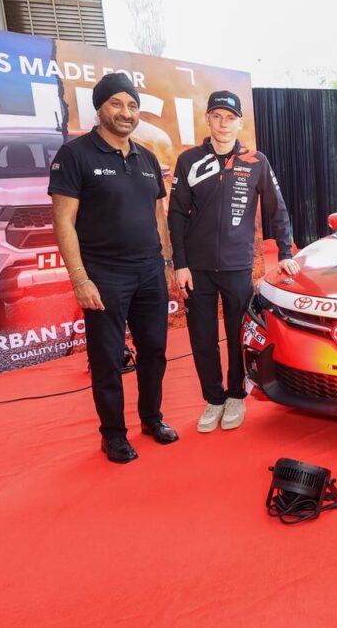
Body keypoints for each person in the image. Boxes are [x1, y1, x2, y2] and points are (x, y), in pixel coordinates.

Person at [49, 72, 179, 464]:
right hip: (104, 275)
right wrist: (80, 278)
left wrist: (167, 262)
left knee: (154, 351)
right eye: (117, 104)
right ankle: (113, 435)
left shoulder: (147, 157)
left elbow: (158, 215)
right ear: (100, 108)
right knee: (107, 358)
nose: (126, 112)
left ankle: (152, 419)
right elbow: (63, 221)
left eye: (133, 105)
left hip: (150, 271)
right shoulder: (75, 155)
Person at [168, 90, 298, 434]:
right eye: (217, 116)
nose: (223, 123)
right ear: (208, 119)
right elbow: (176, 214)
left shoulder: (256, 161)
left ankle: (236, 394)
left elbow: (278, 209)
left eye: (230, 117)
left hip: (238, 266)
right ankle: (213, 399)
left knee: (238, 334)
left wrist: (285, 253)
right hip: (197, 269)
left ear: (239, 122)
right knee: (202, 338)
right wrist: (179, 263)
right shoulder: (189, 160)